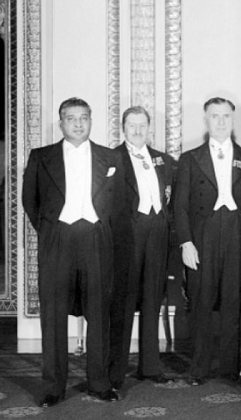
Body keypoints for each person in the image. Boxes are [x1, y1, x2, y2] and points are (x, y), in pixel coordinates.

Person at [22, 97, 123, 406]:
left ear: (90, 121)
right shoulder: (41, 156)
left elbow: (119, 203)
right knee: (53, 314)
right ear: (61, 123)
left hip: (96, 238)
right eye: (71, 118)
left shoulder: (111, 157)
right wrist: (51, 231)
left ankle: (99, 383)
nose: (78, 124)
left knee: (99, 311)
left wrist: (102, 229)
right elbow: (30, 200)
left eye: (83, 118)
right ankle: (53, 388)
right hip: (58, 239)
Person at [173, 97, 241, 386]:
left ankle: (230, 367)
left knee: (233, 300)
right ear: (206, 120)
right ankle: (199, 367)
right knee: (201, 299)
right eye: (215, 116)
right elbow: (179, 205)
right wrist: (186, 242)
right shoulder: (190, 159)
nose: (220, 122)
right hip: (202, 234)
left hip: (236, 233)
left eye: (226, 116)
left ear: (233, 120)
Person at [108, 106, 175, 390]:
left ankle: (150, 367)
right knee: (124, 303)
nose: (137, 130)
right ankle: (115, 371)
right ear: (123, 128)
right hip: (128, 236)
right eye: (131, 125)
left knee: (152, 298)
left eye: (142, 125)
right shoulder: (111, 158)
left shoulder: (164, 159)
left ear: (149, 127)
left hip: (158, 233)